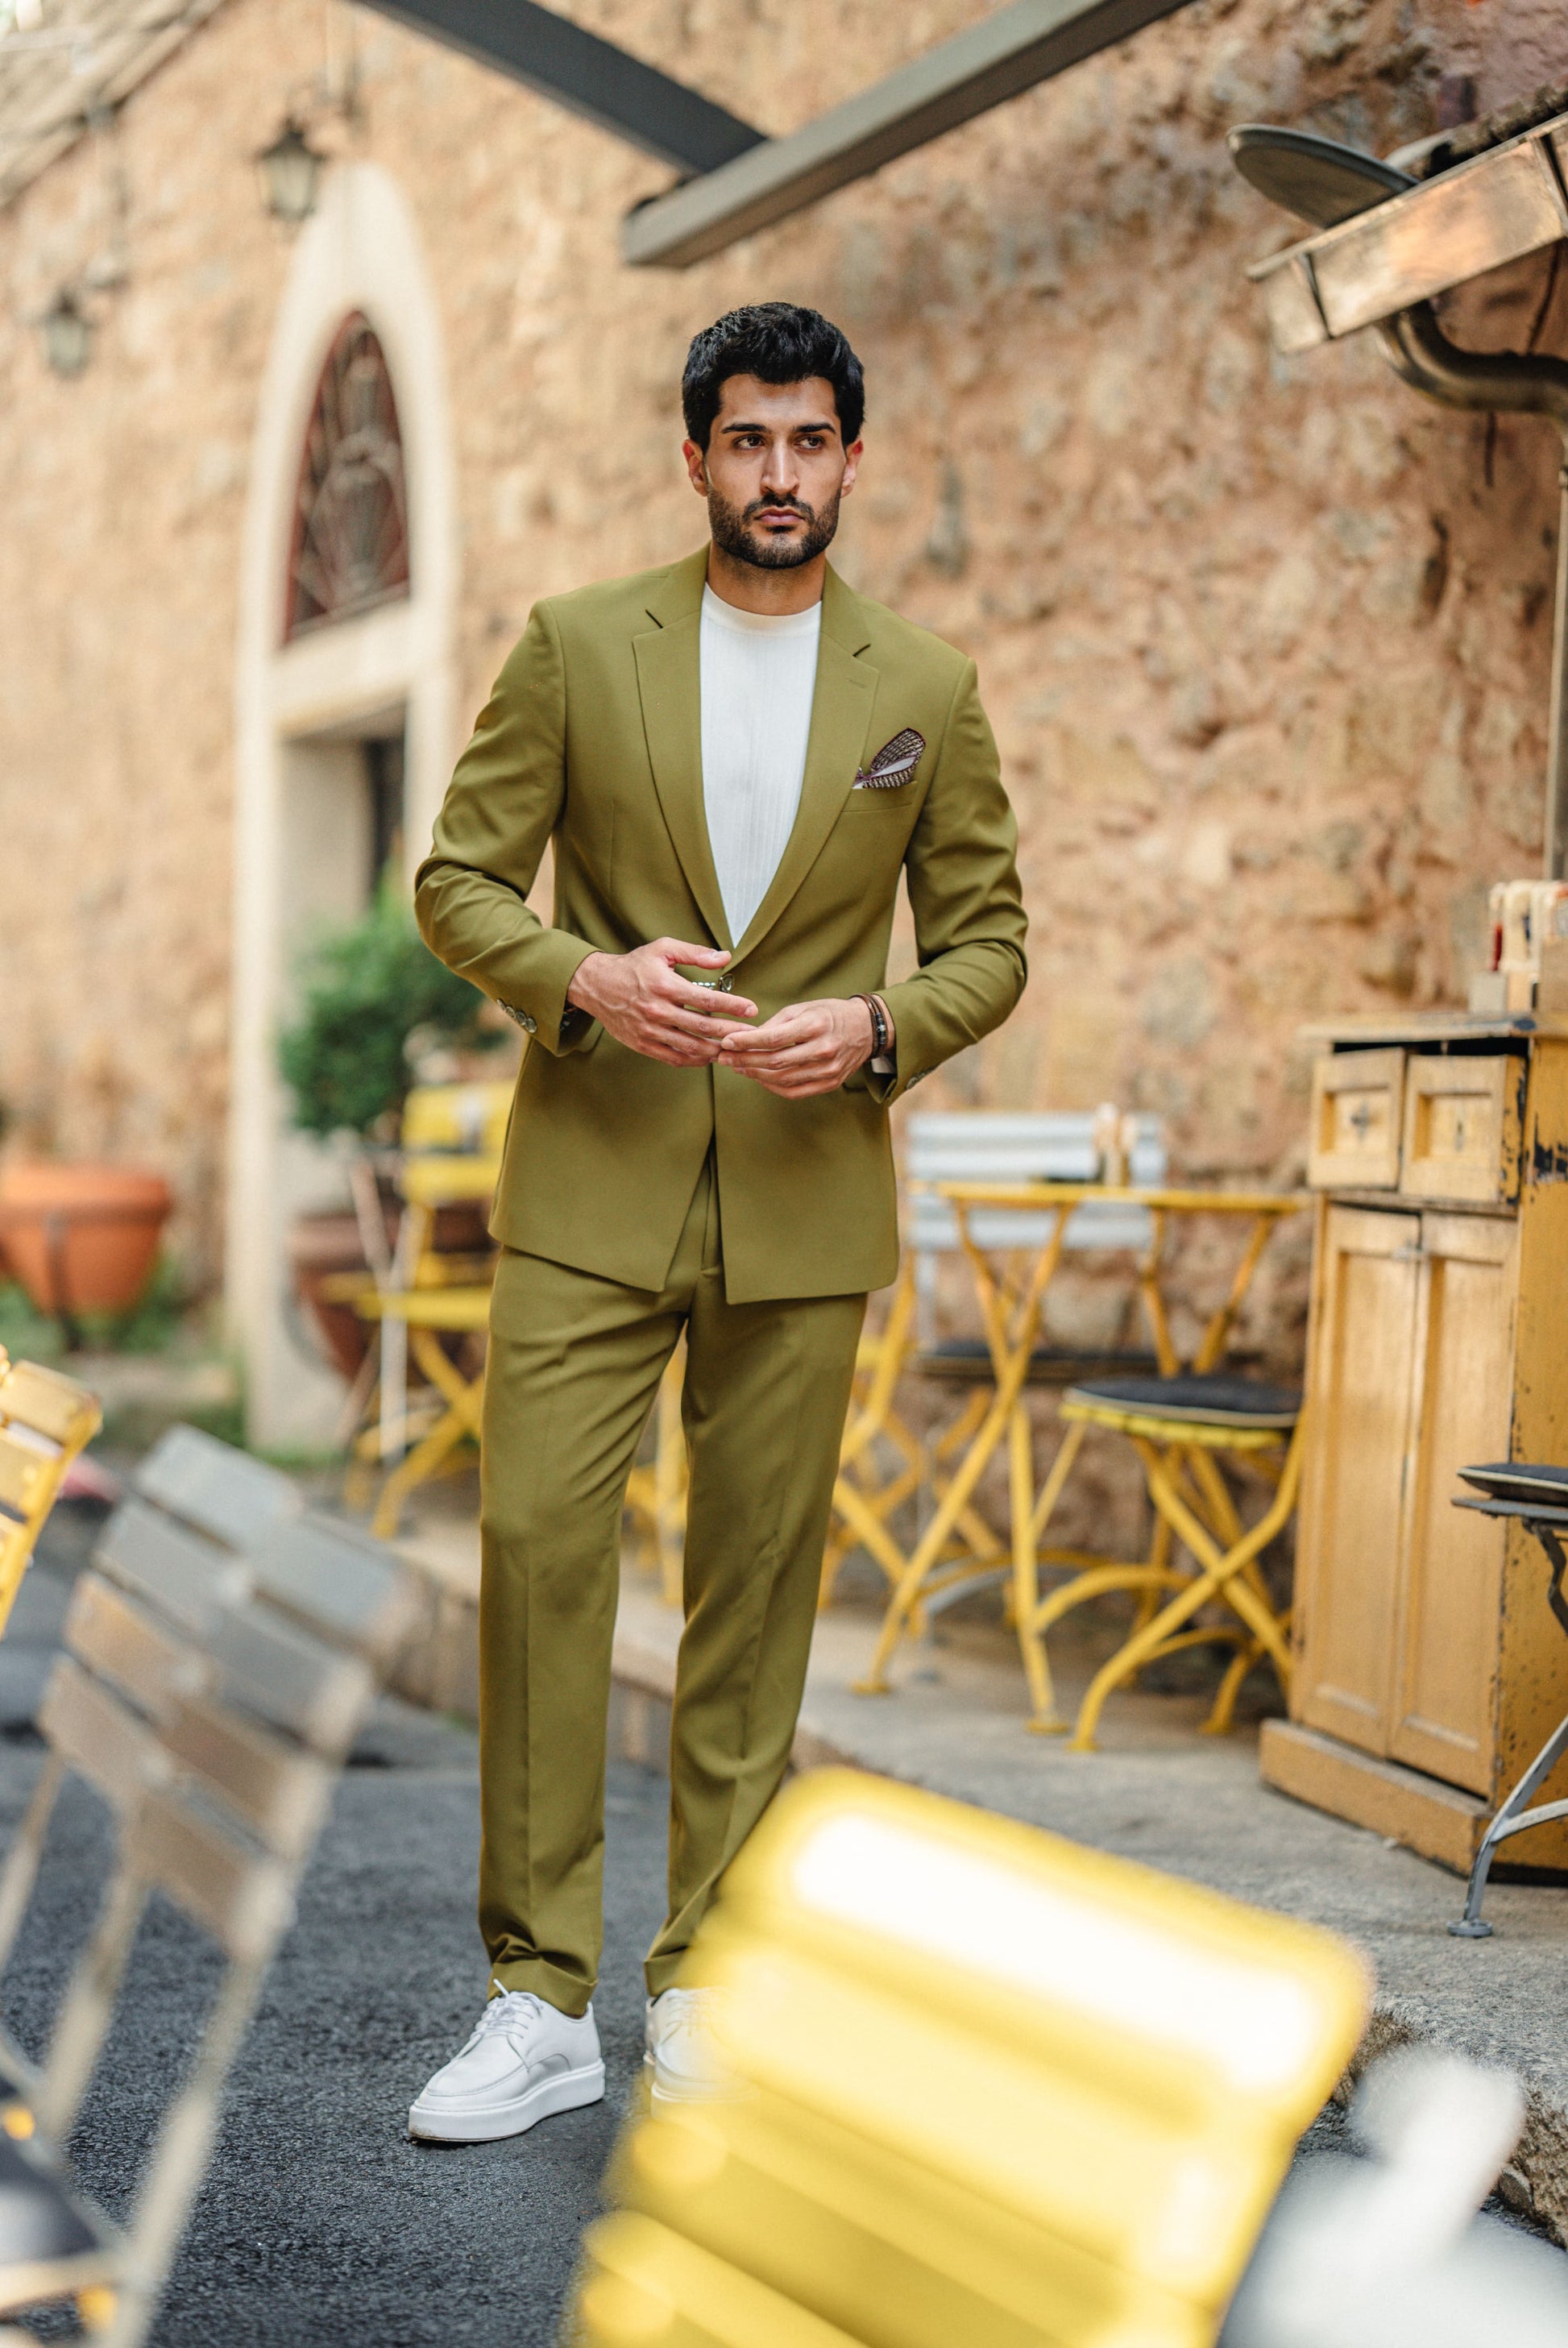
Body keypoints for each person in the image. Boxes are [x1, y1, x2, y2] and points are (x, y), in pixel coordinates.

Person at [407, 302, 1027, 2142]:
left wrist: (884, 1025)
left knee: (754, 1592)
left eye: (809, 441)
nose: (779, 474)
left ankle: (712, 1978)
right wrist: (581, 976)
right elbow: (455, 878)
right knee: (535, 1546)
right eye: (746, 441)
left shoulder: (926, 683)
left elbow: (987, 937)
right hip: (592, 1177)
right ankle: (535, 1995)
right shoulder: (579, 645)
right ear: (695, 456)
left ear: (850, 454)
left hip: (802, 1190)